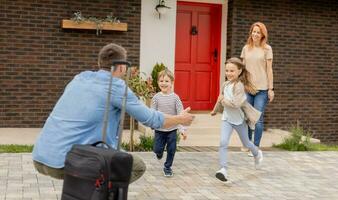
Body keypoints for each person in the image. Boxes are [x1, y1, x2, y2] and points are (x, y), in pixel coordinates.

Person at [32, 43, 195, 183]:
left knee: (109, 163)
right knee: (135, 167)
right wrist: (180, 119)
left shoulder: (79, 78)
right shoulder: (116, 86)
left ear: (99, 62)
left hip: (41, 156)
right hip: (65, 162)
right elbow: (151, 119)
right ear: (122, 66)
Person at [211, 57, 263, 182]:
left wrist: (223, 101)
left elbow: (236, 104)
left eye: (232, 71)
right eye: (227, 70)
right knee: (223, 143)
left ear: (239, 71)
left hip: (239, 120)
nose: (229, 73)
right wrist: (215, 110)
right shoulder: (225, 84)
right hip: (227, 119)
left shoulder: (239, 86)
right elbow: (221, 97)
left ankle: (257, 153)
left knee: (246, 144)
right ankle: (223, 169)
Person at [240, 22, 274, 152]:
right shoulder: (246, 48)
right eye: (253, 31)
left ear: (262, 35)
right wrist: (241, 85)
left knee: (258, 120)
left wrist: (271, 89)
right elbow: (242, 69)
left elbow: (269, 70)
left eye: (258, 32)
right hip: (248, 88)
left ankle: (255, 146)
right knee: (247, 118)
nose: (255, 34)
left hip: (262, 89)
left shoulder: (267, 49)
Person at [151, 69, 187, 177]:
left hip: (172, 129)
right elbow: (152, 112)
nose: (164, 83)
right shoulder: (156, 98)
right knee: (157, 149)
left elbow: (181, 114)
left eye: (167, 81)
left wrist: (183, 129)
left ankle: (167, 167)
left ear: (172, 83)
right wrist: (152, 124)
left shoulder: (175, 98)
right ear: (158, 82)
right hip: (159, 129)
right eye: (161, 81)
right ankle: (159, 153)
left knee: (172, 149)